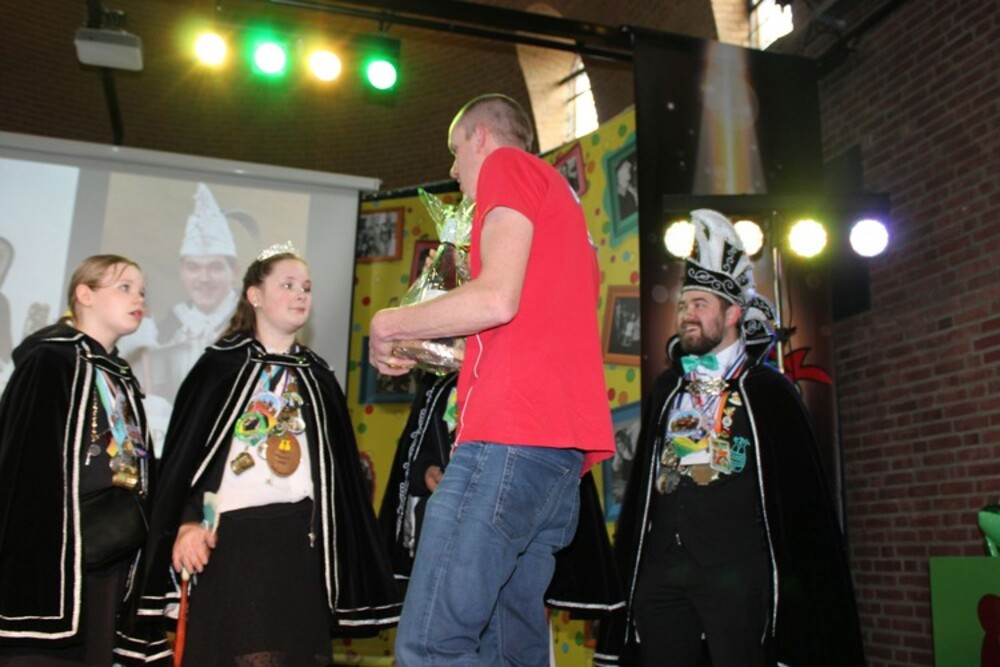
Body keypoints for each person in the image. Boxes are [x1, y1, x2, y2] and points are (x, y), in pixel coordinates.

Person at [369, 94, 615, 665]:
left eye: (456, 151)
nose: (454, 171)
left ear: (481, 137)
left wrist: (390, 323)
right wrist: (428, 347)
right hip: (557, 459)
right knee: (508, 649)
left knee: (433, 644)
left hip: (510, 438)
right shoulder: (562, 204)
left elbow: (495, 299)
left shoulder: (509, 166)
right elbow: (515, 327)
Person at [594, 209, 864, 666]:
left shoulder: (768, 392)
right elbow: (644, 486)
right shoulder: (668, 387)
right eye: (683, 305)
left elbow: (801, 506)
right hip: (663, 572)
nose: (687, 315)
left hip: (735, 572)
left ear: (733, 313)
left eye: (700, 304)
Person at [129, 243, 401, 666]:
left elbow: (341, 480)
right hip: (235, 541)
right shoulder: (219, 366)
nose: (300, 295)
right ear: (254, 295)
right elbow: (186, 462)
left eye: (306, 288)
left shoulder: (318, 376)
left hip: (300, 543)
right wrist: (187, 522)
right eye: (287, 285)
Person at [0, 255, 155, 665]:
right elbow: (23, 466)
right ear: (84, 294)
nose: (138, 298)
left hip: (108, 552)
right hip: (57, 555)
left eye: (142, 292)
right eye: (124, 287)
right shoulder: (50, 360)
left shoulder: (119, 375)